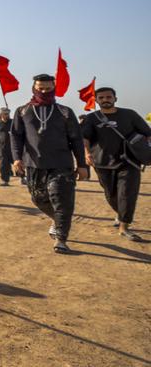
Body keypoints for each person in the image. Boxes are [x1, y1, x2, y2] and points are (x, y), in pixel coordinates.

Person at [10, 73, 88, 254]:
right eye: (40, 88)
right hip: (33, 164)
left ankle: (61, 239)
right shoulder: (22, 111)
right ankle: (58, 219)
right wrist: (16, 158)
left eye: (48, 88)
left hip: (61, 163)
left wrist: (82, 165)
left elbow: (76, 139)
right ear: (34, 88)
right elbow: (16, 136)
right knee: (38, 198)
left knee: (61, 200)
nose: (44, 92)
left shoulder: (65, 111)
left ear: (54, 88)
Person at [80, 87, 151, 242]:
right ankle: (121, 214)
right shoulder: (91, 118)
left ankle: (124, 227)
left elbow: (147, 133)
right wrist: (87, 153)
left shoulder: (130, 114)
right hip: (102, 163)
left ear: (115, 98)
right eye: (101, 98)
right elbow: (85, 138)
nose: (105, 100)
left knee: (127, 194)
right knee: (111, 195)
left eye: (108, 97)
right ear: (96, 100)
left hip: (129, 162)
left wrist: (145, 150)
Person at [0, 107, 14, 186]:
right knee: (3, 164)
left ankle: (22, 177)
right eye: (5, 114)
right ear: (1, 114)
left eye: (8, 114)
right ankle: (5, 180)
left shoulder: (13, 122)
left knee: (17, 162)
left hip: (13, 147)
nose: (7, 115)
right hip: (2, 147)